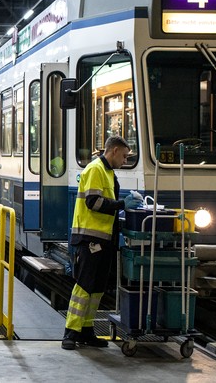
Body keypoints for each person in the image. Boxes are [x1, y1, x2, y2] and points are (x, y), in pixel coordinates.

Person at [62, 135, 142, 350]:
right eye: (124, 156)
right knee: (84, 286)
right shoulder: (95, 169)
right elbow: (93, 202)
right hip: (89, 239)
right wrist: (122, 204)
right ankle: (70, 332)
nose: (125, 161)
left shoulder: (108, 173)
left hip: (104, 239)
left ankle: (86, 330)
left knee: (97, 288)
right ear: (114, 150)